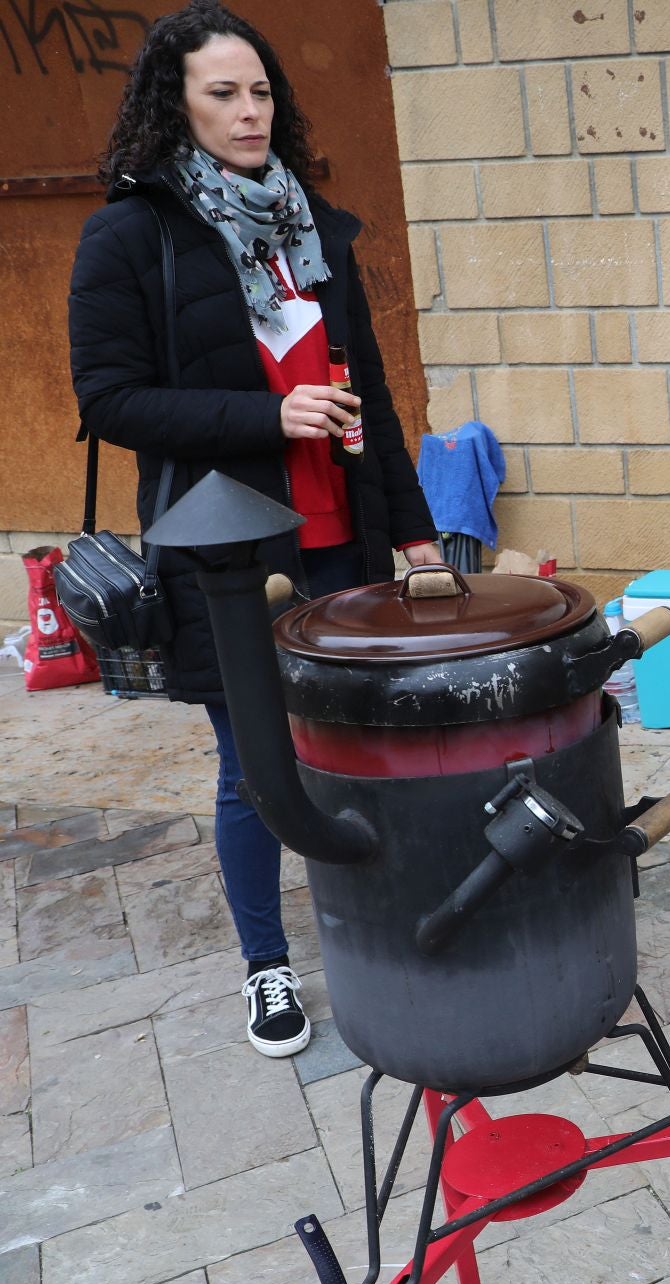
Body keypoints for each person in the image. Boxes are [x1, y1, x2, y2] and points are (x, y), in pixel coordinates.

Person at [69, 1, 439, 1058]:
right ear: (174, 104)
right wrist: (264, 417)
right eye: (222, 93)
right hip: (229, 553)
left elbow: (367, 391)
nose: (248, 111)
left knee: (353, 747)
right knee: (255, 765)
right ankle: (267, 967)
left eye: (261, 89)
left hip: (341, 538)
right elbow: (107, 399)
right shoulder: (131, 232)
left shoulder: (313, 226)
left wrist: (411, 529)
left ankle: (375, 924)